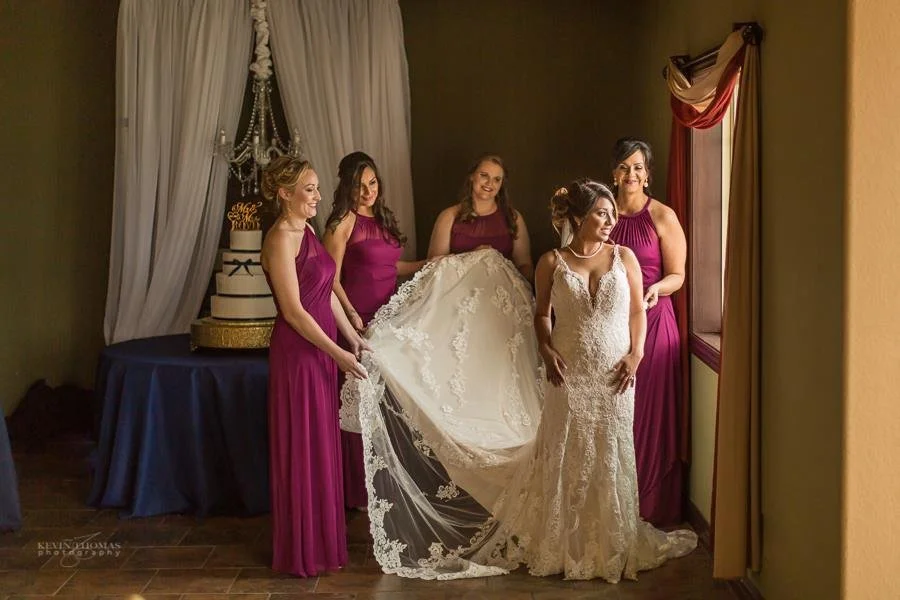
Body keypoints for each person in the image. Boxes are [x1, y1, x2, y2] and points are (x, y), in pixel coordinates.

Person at [339, 179, 696, 581]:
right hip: (569, 371)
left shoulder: (625, 257)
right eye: (601, 212)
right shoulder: (551, 262)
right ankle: (567, 543)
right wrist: (545, 348)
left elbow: (636, 312)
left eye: (612, 211)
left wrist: (637, 353)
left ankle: (612, 540)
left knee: (611, 449)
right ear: (578, 218)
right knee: (567, 451)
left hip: (614, 372)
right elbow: (542, 314)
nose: (611, 219)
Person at [260, 156, 369, 577]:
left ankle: (322, 546)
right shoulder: (279, 239)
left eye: (317, 188)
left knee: (321, 446)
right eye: (309, 189)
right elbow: (293, 311)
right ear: (285, 194)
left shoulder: (305, 229)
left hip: (322, 348)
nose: (318, 197)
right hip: (299, 354)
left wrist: (353, 338)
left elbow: (322, 293)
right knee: (303, 446)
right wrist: (337, 353)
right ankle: (301, 551)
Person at [322, 151, 427, 510]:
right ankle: (356, 493)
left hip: (389, 320)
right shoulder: (341, 222)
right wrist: (352, 315)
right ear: (346, 187)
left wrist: (428, 265)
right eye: (359, 185)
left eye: (372, 183)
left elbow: (391, 267)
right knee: (359, 409)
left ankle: (383, 484)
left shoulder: (380, 218)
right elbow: (329, 280)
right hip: (358, 322)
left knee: (385, 408)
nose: (367, 192)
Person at [608, 137, 687, 527]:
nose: (631, 174)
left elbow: (678, 275)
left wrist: (658, 288)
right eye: (624, 167)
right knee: (613, 413)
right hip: (609, 325)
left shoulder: (663, 216)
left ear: (648, 173)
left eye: (638, 167)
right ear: (614, 172)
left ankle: (650, 507)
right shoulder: (602, 214)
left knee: (646, 416)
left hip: (655, 324)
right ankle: (613, 504)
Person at [426, 154, 534, 281]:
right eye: (484, 175)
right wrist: (472, 256)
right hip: (456, 289)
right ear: (472, 176)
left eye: (497, 179)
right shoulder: (449, 216)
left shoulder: (513, 217)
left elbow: (525, 266)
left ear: (501, 184)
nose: (490, 183)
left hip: (501, 290)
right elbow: (433, 267)